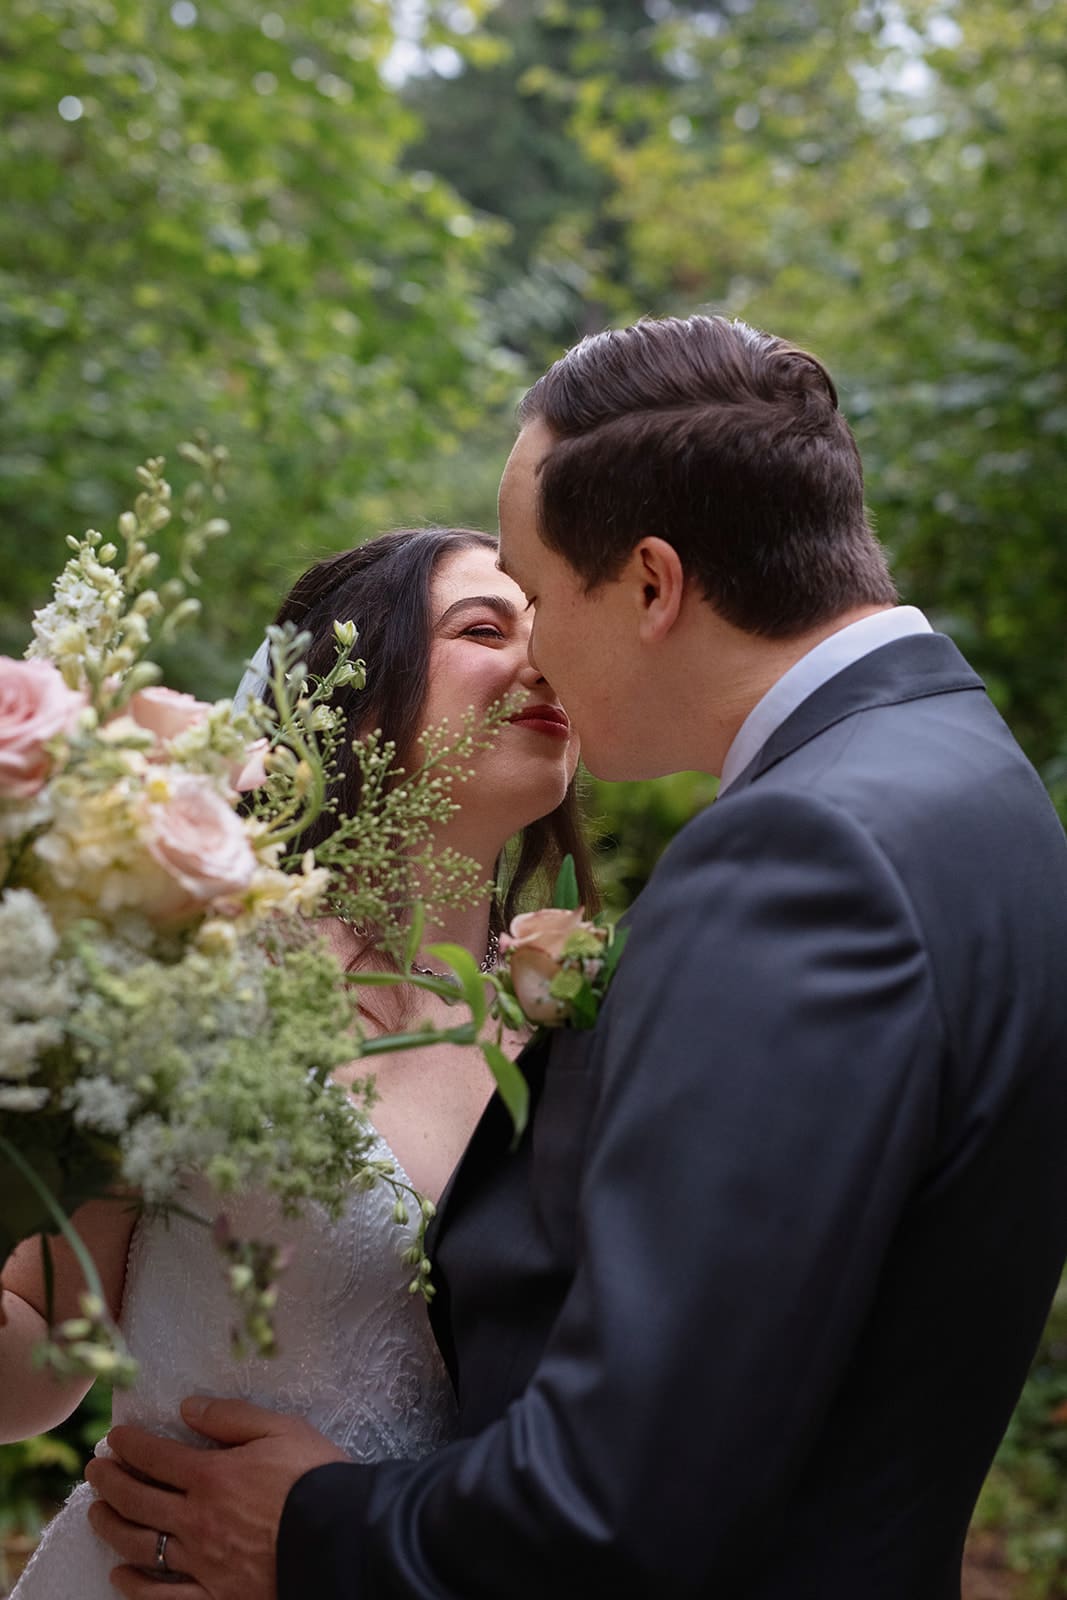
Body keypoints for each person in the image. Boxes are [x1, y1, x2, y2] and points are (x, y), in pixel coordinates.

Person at [89, 316, 1067, 1600]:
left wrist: (314, 1528)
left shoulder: (801, 853)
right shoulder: (976, 789)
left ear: (653, 584)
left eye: (538, 599)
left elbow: (626, 1494)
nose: (534, 651)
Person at [0, 524, 589, 1598]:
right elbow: (44, 1337)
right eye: (484, 627)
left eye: (548, 625)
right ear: (358, 696)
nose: (543, 657)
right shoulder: (199, 962)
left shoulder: (580, 1021)